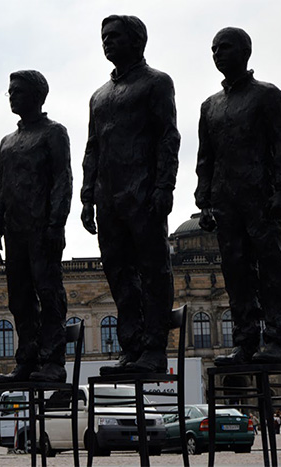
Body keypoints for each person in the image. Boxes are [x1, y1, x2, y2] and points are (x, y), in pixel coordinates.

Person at [81, 15, 180, 375]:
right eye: (104, 37)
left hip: (143, 192)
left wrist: (164, 186)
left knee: (153, 271)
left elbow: (169, 137)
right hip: (109, 198)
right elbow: (92, 148)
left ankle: (154, 347)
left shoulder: (156, 83)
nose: (107, 42)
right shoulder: (99, 96)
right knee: (118, 273)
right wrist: (87, 196)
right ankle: (131, 346)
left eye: (115, 36)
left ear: (137, 40)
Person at [195, 27, 281, 365]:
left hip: (260, 195)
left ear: (245, 51)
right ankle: (246, 341)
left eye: (224, 47)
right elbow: (205, 159)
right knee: (235, 272)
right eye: (213, 49)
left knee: (270, 267)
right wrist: (203, 201)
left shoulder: (267, 95)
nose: (217, 54)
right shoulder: (210, 107)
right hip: (225, 201)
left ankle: (278, 339)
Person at [0, 70, 73, 383]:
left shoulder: (54, 132)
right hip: (15, 230)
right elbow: (2, 186)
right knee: (19, 298)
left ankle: (52, 360)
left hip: (42, 227)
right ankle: (26, 359)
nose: (11, 96)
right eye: (10, 91)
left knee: (49, 292)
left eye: (17, 91)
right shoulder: (7, 142)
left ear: (37, 96)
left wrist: (56, 224)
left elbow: (62, 180)